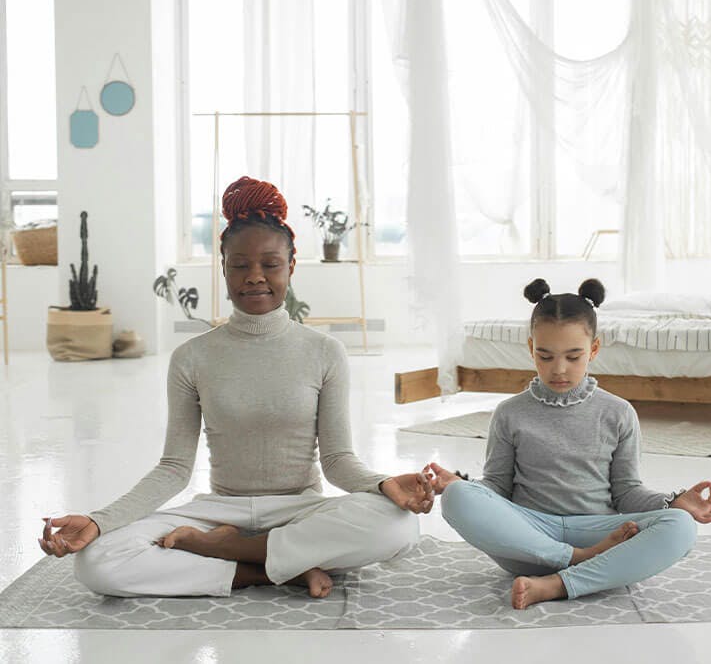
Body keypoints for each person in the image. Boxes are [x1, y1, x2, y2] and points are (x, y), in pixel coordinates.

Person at [38, 176, 433, 599]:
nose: (255, 277)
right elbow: (174, 467)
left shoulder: (324, 351)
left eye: (271, 264)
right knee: (97, 562)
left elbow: (337, 460)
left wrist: (381, 485)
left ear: (291, 266)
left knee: (399, 524)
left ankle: (229, 552)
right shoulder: (193, 357)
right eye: (240, 265)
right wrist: (99, 521)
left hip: (299, 509)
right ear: (223, 267)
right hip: (218, 510)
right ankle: (268, 570)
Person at [427, 278, 711, 610]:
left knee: (681, 527)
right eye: (545, 356)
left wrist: (673, 503)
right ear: (531, 348)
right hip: (531, 541)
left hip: (600, 534)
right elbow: (498, 487)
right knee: (458, 497)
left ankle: (557, 585)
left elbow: (626, 492)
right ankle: (581, 562)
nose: (559, 369)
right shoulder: (509, 413)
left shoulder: (618, 413)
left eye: (573, 357)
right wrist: (462, 486)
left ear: (594, 349)